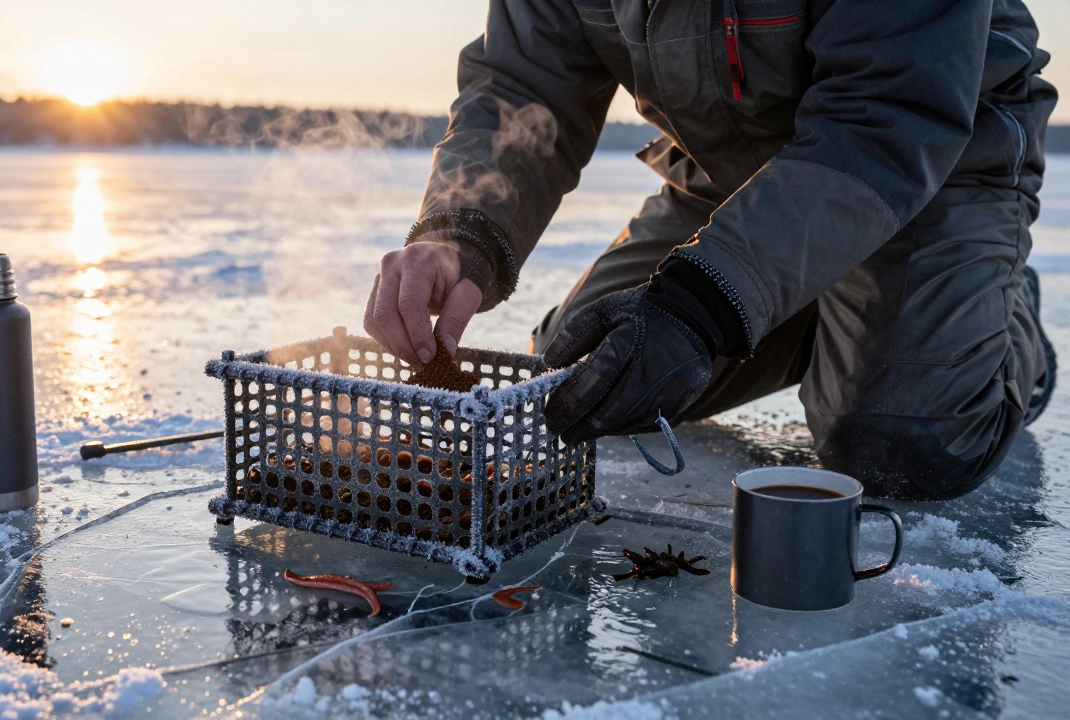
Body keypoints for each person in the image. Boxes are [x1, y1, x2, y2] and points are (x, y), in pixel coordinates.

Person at [364, 0, 1057, 501]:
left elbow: (885, 119)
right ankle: (811, 305)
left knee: (899, 445)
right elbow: (521, 87)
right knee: (584, 377)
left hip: (924, 171)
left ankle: (996, 328)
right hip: (732, 180)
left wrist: (700, 304)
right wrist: (458, 232)